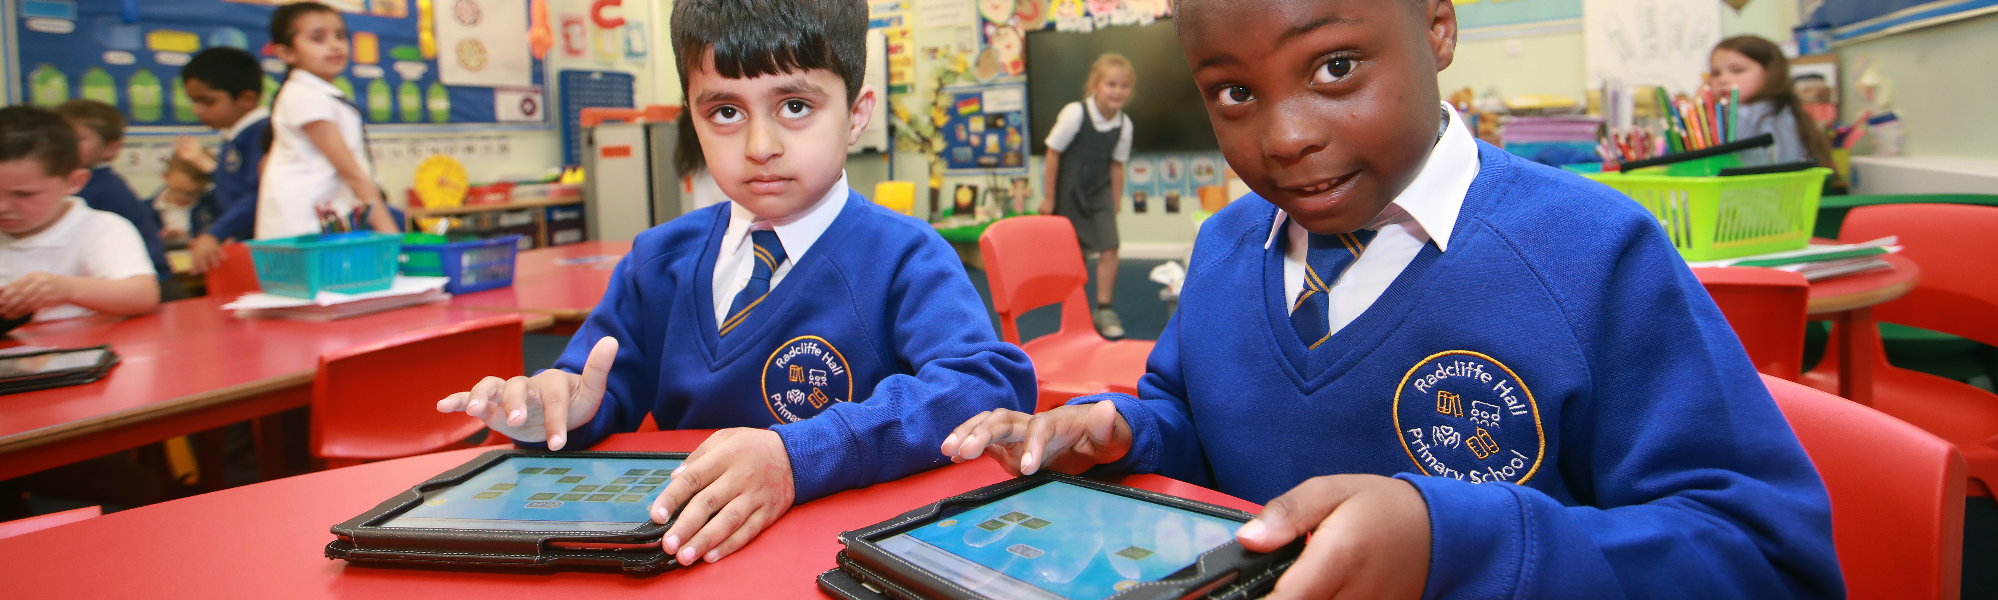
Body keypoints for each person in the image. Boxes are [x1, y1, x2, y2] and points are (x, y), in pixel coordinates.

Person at [941, 1, 1843, 598]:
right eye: (1235, 92)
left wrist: (1453, 544)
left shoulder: (1593, 253)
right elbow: (1195, 416)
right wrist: (1126, 433)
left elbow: (1765, 557)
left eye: (1335, 66)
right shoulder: (1224, 244)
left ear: (1438, 28)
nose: (1286, 138)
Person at [435, 0, 1034, 569]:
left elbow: (986, 386)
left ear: (856, 113)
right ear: (692, 117)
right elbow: (596, 388)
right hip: (686, 553)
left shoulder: (904, 256)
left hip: (838, 557)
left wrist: (798, 456)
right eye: (725, 112)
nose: (760, 147)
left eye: (795, 105)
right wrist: (556, 410)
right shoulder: (658, 259)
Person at [0, 105, 160, 326]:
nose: (3, 207)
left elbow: (143, 296)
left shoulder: (100, 229)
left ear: (74, 182)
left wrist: (65, 289)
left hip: (84, 351)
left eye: (23, 194)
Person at [257, 2, 397, 238]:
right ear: (286, 53)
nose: (334, 46)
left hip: (323, 226)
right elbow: (352, 173)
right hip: (303, 230)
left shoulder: (320, 95)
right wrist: (394, 238)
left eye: (340, 36)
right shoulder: (305, 96)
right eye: (318, 38)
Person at [1040, 54, 1135, 340]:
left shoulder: (1124, 125)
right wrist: (1048, 197)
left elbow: (1116, 165)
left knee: (1110, 246)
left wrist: (1115, 200)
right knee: (1074, 254)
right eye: (1111, 84)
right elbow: (1053, 152)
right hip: (1069, 190)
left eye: (1124, 85)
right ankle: (1076, 312)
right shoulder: (1075, 113)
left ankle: (1104, 308)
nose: (1117, 91)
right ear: (1095, 86)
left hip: (1100, 192)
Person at [55, 100, 173, 293]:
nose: (62, 146)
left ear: (110, 149)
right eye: (56, 138)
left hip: (145, 283)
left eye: (76, 139)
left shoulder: (102, 187)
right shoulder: (83, 182)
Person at [178, 46, 270, 272]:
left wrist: (216, 233)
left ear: (247, 98)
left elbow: (259, 194)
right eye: (194, 101)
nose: (197, 110)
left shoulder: (262, 134)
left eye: (208, 102)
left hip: (266, 250)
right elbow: (231, 188)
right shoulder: (233, 136)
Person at [1709, 35, 1839, 173]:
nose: (1723, 80)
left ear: (1771, 73)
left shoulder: (1767, 115)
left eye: (1737, 70)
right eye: (1716, 73)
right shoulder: (1731, 112)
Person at [152, 156, 211, 243]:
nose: (183, 197)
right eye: (177, 190)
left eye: (192, 193)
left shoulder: (209, 209)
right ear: (166, 176)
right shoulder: (147, 209)